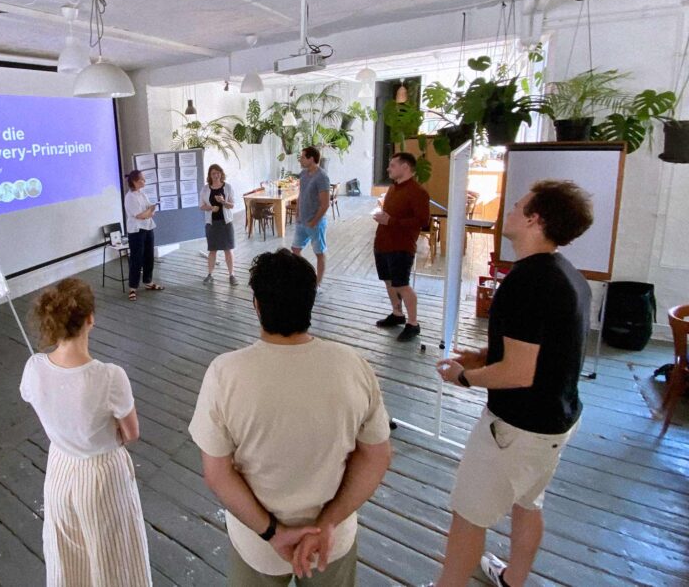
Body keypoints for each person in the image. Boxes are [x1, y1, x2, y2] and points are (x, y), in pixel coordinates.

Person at [189, 249, 392, 586]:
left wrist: (273, 533)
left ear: (257, 305)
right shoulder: (353, 366)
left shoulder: (225, 374)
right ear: (310, 302)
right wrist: (327, 524)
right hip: (331, 541)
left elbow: (217, 473)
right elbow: (377, 455)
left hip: (259, 544)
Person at [432, 180, 593, 587]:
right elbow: (545, 353)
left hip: (515, 430)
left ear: (534, 219)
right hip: (556, 423)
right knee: (527, 503)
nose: (512, 208)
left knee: (469, 517)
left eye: (519, 204)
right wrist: (483, 357)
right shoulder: (569, 276)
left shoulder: (527, 282)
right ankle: (512, 580)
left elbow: (519, 373)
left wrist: (463, 376)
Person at [20, 278, 152, 587]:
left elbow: (40, 401)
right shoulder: (108, 377)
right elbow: (131, 433)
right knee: (113, 559)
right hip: (101, 474)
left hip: (60, 469)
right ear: (90, 319)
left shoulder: (34, 367)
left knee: (68, 557)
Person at [372, 152, 430, 342]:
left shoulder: (418, 192)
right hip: (383, 243)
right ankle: (397, 314)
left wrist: (391, 221)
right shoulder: (393, 188)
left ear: (405, 167)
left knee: (402, 285)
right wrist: (384, 218)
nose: (388, 169)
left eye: (392, 165)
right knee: (389, 281)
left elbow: (423, 221)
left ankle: (413, 324)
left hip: (401, 246)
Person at [292, 146, 331, 292]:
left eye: (302, 157)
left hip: (315, 223)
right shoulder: (303, 174)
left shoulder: (322, 177)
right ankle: (306, 275)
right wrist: (297, 211)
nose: (300, 160)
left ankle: (317, 284)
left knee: (319, 253)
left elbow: (325, 203)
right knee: (295, 250)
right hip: (301, 221)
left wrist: (314, 221)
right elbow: (301, 195)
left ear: (311, 159)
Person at [124, 169, 165, 302]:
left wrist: (151, 209)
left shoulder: (142, 194)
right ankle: (132, 288)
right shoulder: (130, 197)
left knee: (149, 256)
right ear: (135, 182)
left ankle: (148, 281)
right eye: (141, 179)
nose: (144, 181)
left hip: (147, 228)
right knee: (137, 259)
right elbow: (141, 215)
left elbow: (148, 210)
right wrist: (149, 211)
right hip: (136, 231)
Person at [199, 163, 238, 286]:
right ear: (209, 175)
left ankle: (232, 275)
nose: (216, 175)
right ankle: (210, 274)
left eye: (218, 173)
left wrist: (223, 201)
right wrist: (211, 207)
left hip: (226, 223)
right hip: (212, 224)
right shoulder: (205, 189)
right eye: (213, 173)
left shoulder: (228, 187)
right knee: (212, 250)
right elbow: (201, 206)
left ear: (221, 173)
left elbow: (232, 205)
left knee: (228, 249)